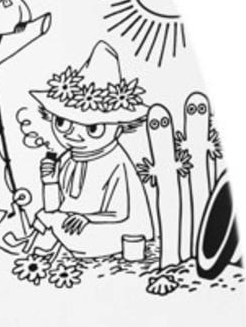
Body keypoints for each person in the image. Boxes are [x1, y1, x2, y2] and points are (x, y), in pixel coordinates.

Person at [28, 41, 153, 259]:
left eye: (93, 128)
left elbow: (119, 212)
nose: (73, 135)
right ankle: (34, 245)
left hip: (115, 233)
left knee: (59, 224)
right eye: (62, 123)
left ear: (119, 128)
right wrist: (50, 182)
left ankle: (43, 246)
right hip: (73, 226)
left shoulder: (117, 162)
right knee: (49, 217)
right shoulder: (68, 158)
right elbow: (54, 207)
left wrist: (87, 218)